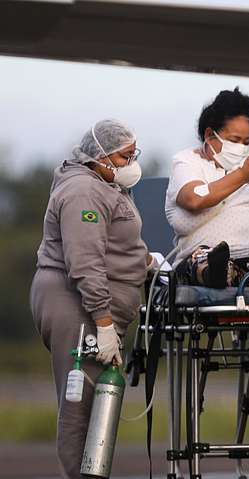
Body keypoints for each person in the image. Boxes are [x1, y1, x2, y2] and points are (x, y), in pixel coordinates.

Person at [30, 119, 151, 478]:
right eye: (125, 156)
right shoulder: (84, 190)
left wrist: (145, 262)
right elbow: (83, 261)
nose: (132, 164)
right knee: (79, 403)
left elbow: (113, 243)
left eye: (134, 155)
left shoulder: (107, 184)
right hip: (76, 304)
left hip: (99, 306)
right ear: (100, 157)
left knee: (98, 401)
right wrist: (103, 321)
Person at [164, 87, 249, 286]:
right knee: (204, 260)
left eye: (246, 141)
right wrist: (244, 174)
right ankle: (215, 272)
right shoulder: (187, 162)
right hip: (210, 258)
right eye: (234, 140)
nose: (242, 148)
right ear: (210, 135)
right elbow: (195, 199)